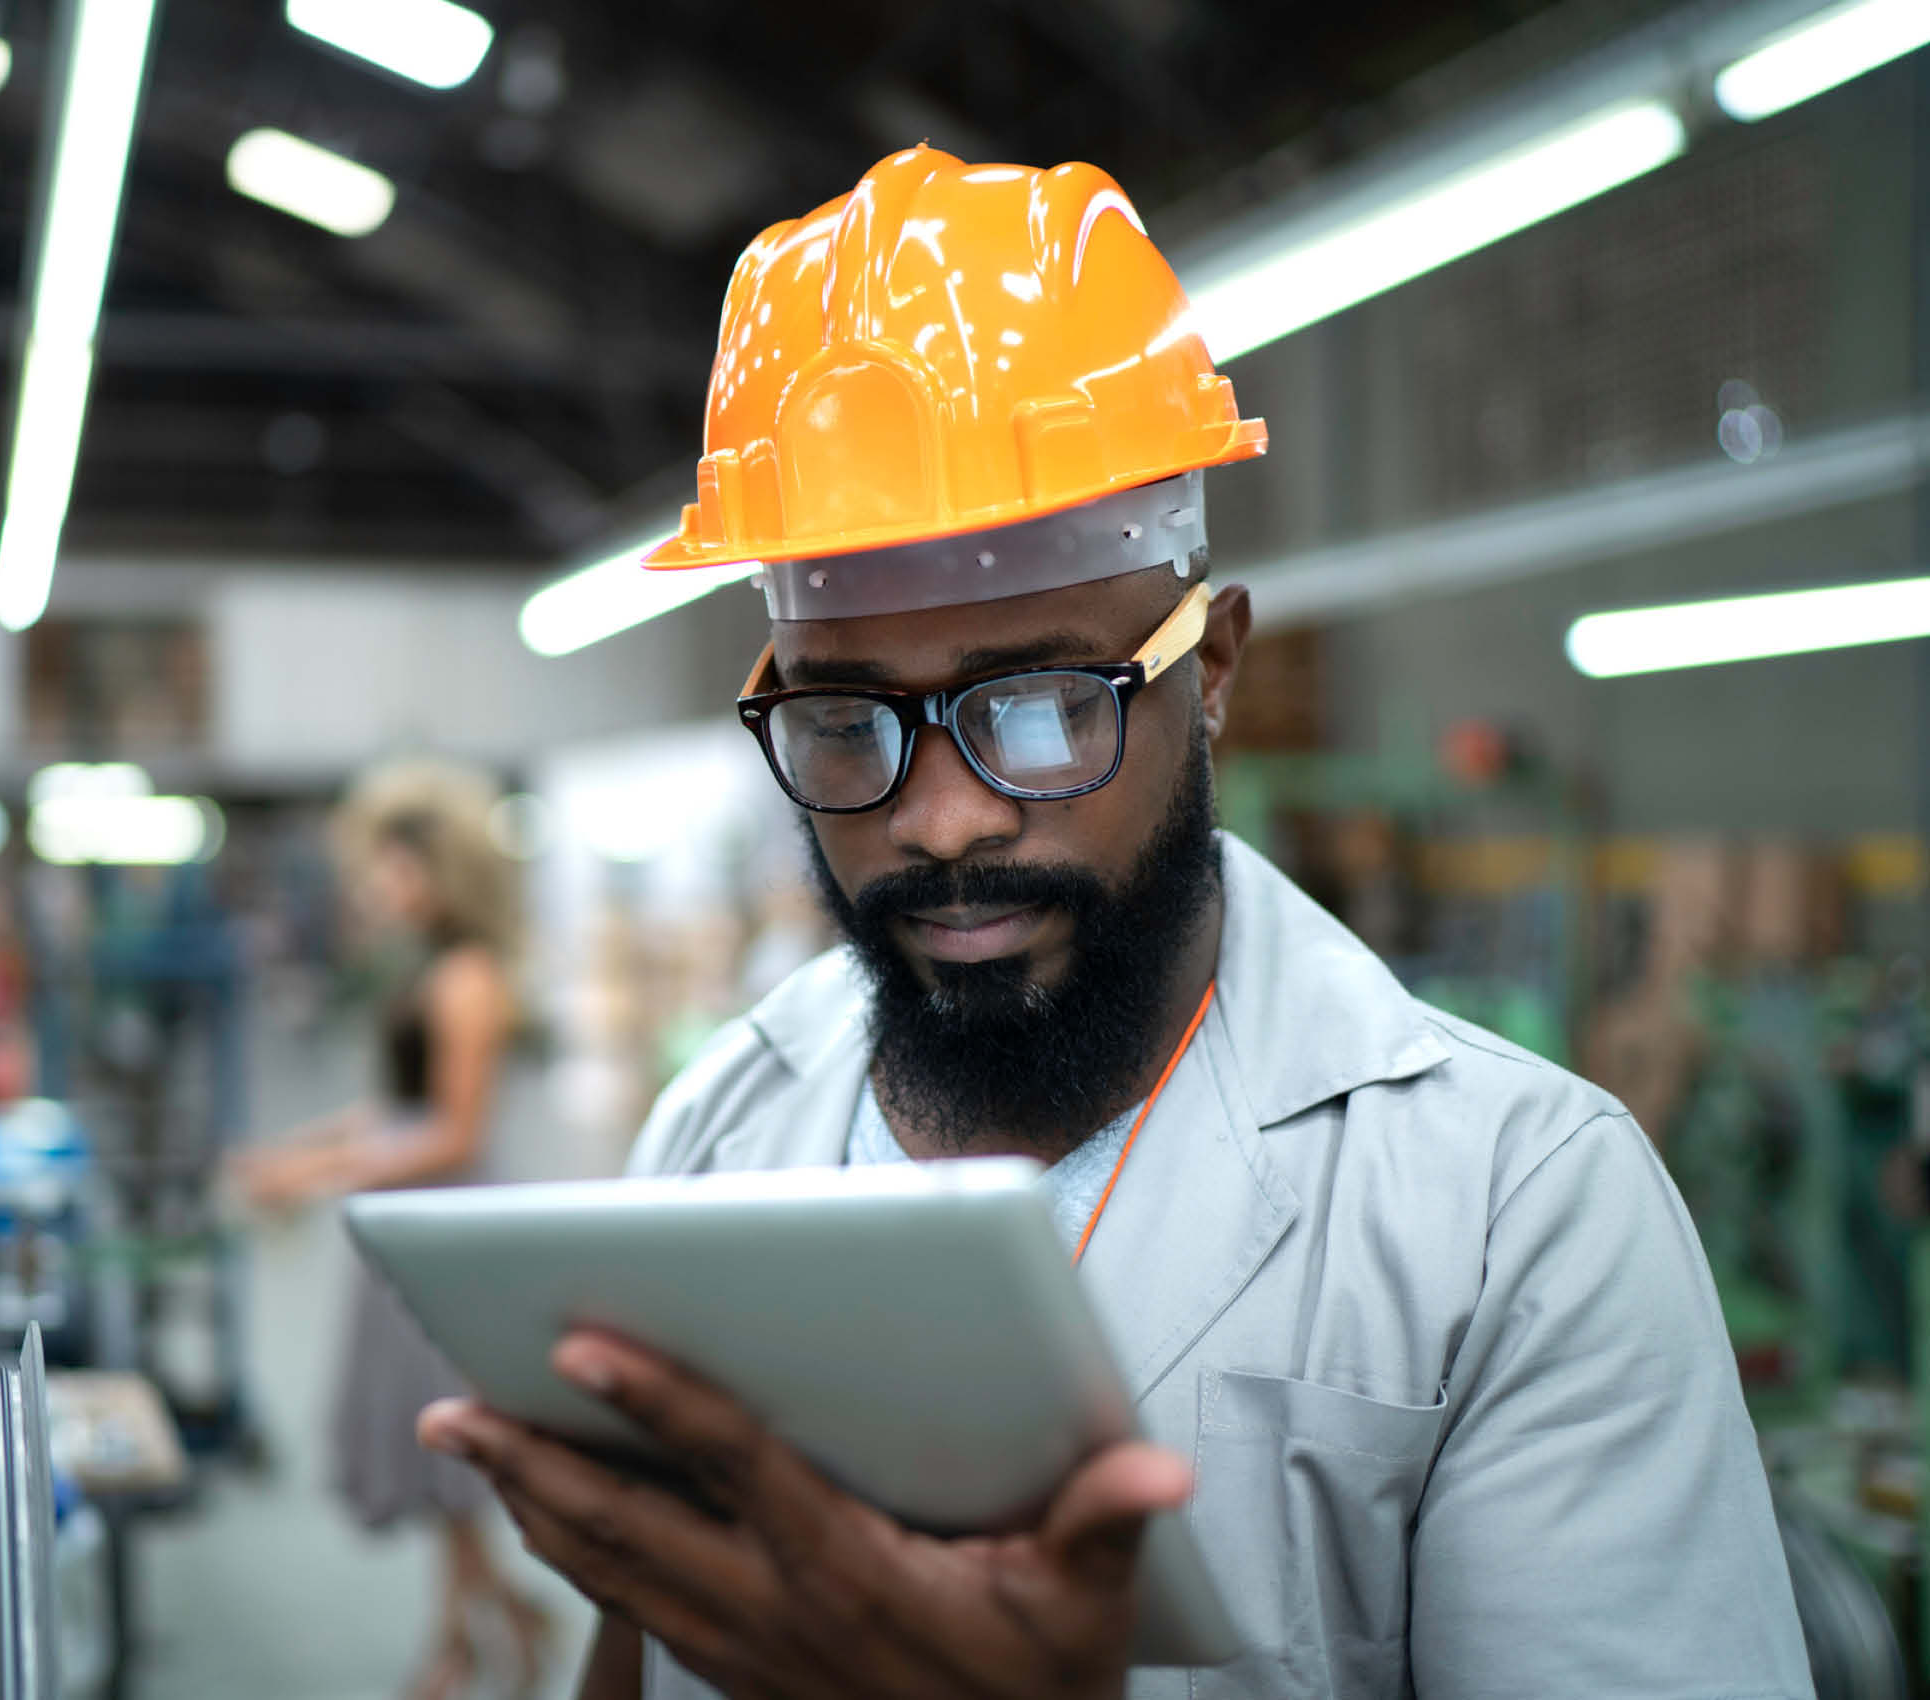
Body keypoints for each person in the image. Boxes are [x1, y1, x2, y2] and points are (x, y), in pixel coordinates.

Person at [416, 147, 1812, 1700]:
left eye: (1034, 709)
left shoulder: (1515, 1218)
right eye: (842, 720)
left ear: (1207, 669)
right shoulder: (726, 1127)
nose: (942, 820)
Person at [237, 763, 552, 1700]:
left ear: (439, 871)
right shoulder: (430, 972)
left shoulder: (467, 979)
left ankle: (459, 1645)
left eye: (395, 869)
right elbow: (398, 1105)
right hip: (417, 1221)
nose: (380, 889)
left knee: (450, 1449)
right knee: (434, 1449)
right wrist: (300, 1149)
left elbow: (455, 1130)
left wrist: (319, 1175)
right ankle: (492, 1624)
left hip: (452, 1229)